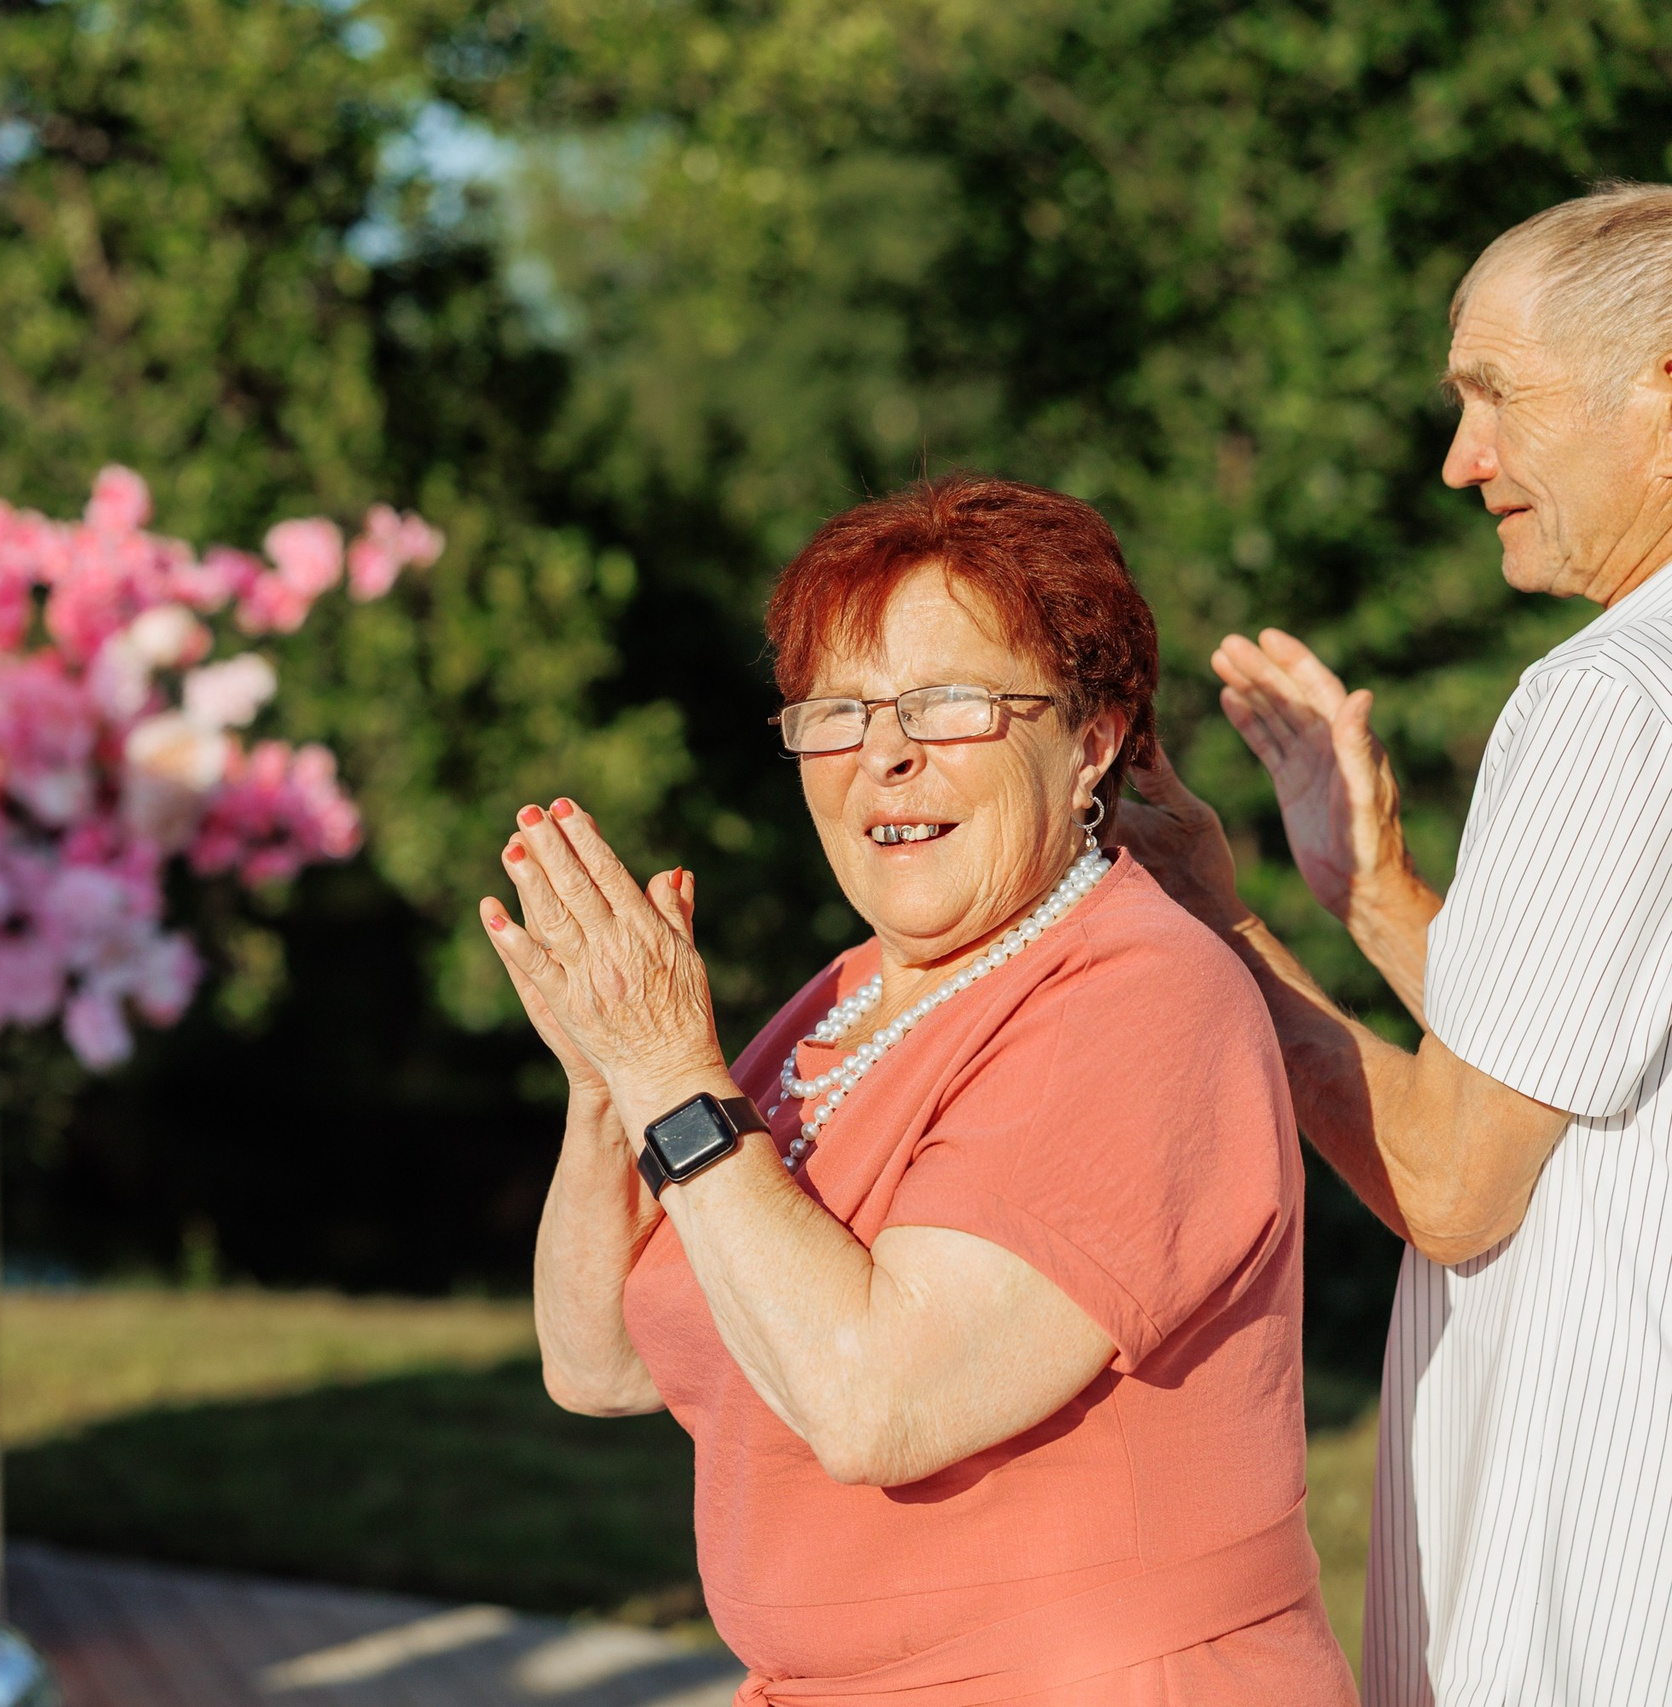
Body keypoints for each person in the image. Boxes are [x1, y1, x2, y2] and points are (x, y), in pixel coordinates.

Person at [485, 474, 1355, 1705]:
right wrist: (602, 1081)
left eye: (948, 705)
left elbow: (878, 1401)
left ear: (1091, 737)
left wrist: (670, 1072)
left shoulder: (1140, 997)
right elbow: (601, 1362)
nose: (884, 754)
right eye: (834, 713)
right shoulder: (834, 1003)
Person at [1118, 182, 1672, 1703]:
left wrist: (1213, 929)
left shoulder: (1610, 699)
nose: (1459, 459)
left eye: (1494, 393)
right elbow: (1584, 1074)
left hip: (1601, 1597)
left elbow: (1453, 1178)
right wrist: (1371, 895)